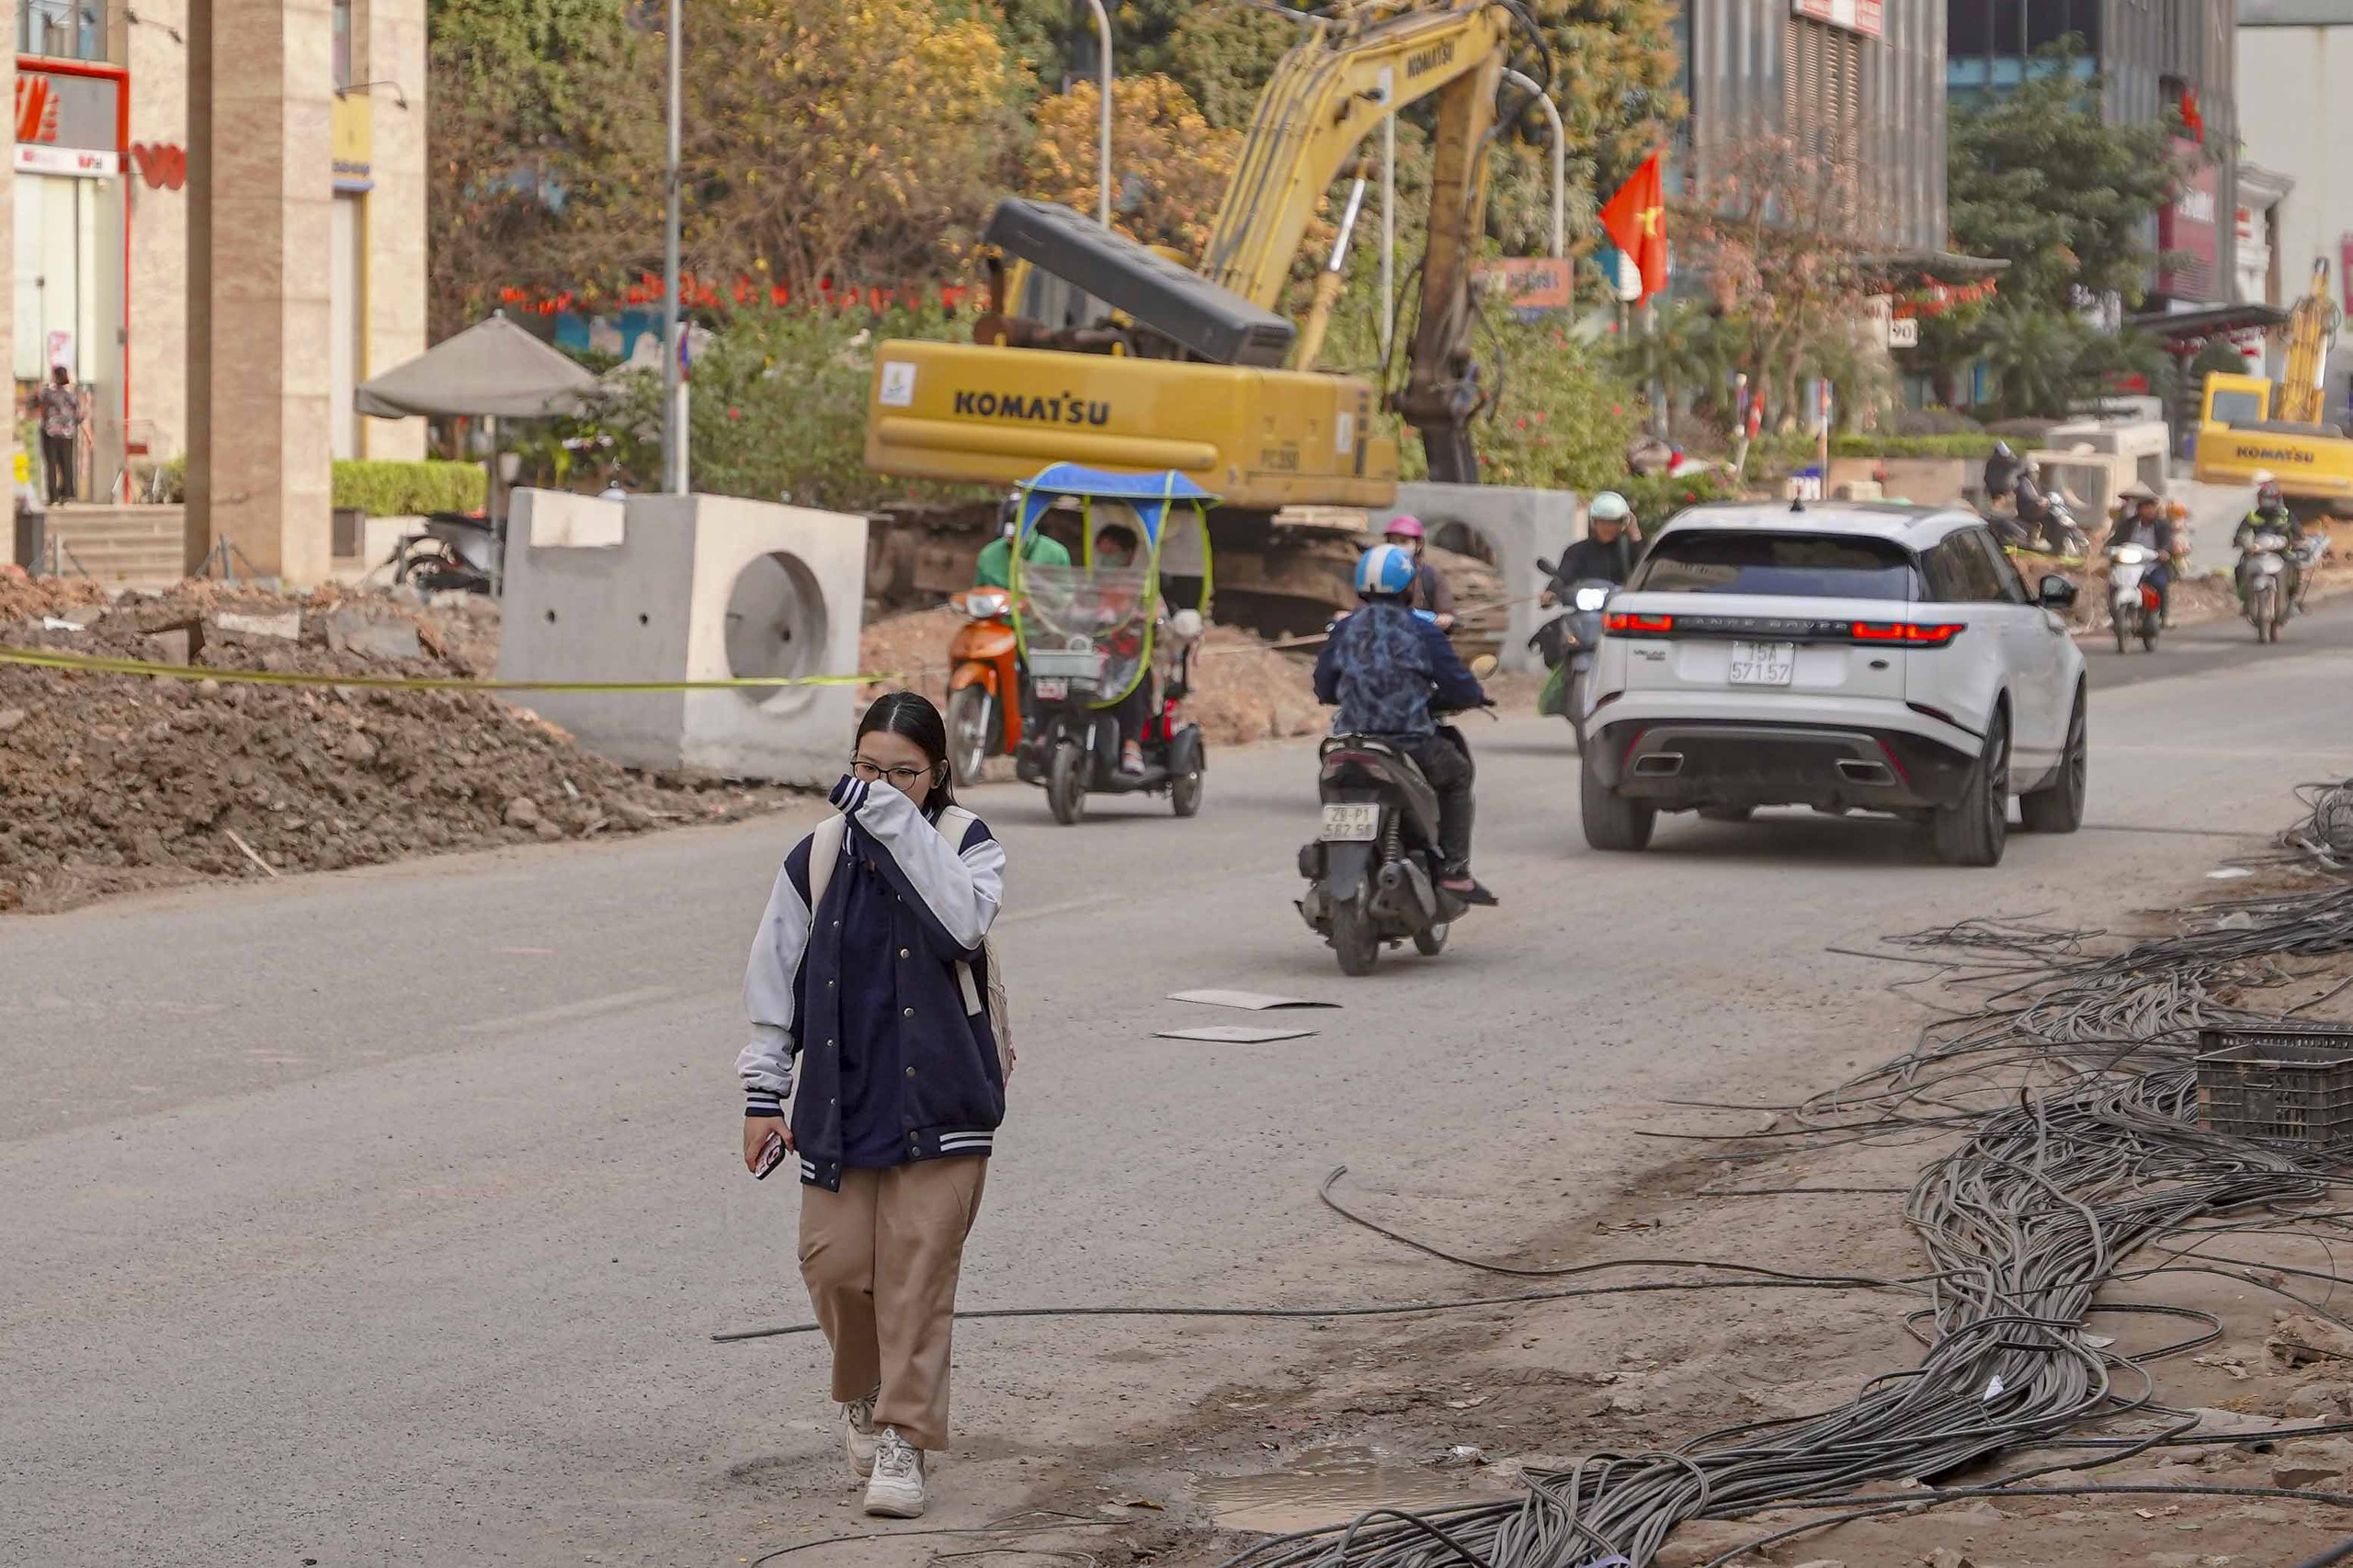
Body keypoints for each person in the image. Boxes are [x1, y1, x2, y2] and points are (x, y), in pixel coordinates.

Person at [739, 692, 1008, 1521]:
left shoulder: (968, 845)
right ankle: (862, 1394)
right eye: (867, 769)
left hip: (944, 1095)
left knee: (917, 1274)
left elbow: (958, 927)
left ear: (937, 775)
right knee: (836, 1266)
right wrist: (762, 1090)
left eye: (903, 773)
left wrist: (896, 822)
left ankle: (905, 1440)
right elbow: (773, 974)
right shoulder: (816, 856)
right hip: (841, 1096)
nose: (881, 785)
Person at [1313, 543, 1495, 905]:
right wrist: (1475, 696)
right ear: (1409, 587)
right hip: (1409, 742)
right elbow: (1459, 685)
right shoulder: (1422, 632)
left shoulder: (1344, 630)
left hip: (1350, 742)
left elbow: (1324, 686)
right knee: (1457, 774)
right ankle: (1455, 871)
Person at [1091, 521, 1154, 774]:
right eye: (1101, 553)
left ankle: (1132, 746)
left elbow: (1157, 615)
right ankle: (1042, 735)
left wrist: (1144, 618)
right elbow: (1068, 611)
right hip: (1094, 655)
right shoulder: (1088, 586)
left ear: (1127, 555)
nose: (1104, 559)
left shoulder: (1141, 586)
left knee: (1135, 681)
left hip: (1129, 656)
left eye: (1111, 553)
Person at [1540, 492, 1641, 605]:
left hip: (1620, 613)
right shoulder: (1576, 550)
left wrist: (1635, 535)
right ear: (1594, 522)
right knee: (1555, 623)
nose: (1607, 527)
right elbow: (1564, 576)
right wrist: (1551, 591)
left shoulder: (1631, 549)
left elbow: (1646, 569)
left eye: (1613, 522)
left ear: (1623, 523)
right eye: (1602, 521)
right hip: (1582, 611)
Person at [2109, 483, 2185, 627]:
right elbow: (2117, 538)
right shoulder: (2128, 524)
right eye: (2146, 507)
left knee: (2160, 584)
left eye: (2152, 507)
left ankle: (2164, 616)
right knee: (2113, 585)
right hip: (2129, 564)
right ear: (2139, 509)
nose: (2149, 510)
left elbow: (2167, 541)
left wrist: (2163, 552)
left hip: (2153, 564)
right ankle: (2116, 617)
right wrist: (2107, 548)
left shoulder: (2162, 525)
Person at [2234, 476, 2307, 608]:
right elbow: (2241, 531)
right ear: (2259, 499)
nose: (2267, 503)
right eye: (2265, 499)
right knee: (2240, 567)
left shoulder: (2285, 515)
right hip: (2257, 551)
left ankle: (2292, 599)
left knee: (2296, 566)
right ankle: (2244, 599)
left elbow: (2298, 531)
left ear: (2277, 499)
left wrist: (2300, 542)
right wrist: (2240, 541)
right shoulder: (2253, 515)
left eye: (2270, 499)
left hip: (2282, 551)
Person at [973, 494, 1070, 590]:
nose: (1014, 540)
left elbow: (1065, 596)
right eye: (1010, 536)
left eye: (1018, 535)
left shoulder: (1056, 553)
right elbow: (979, 594)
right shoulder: (988, 555)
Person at [1381, 516, 1456, 629]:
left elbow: (1445, 612)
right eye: (1393, 542)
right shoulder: (1377, 571)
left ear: (1418, 545)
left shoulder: (1430, 575)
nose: (1397, 547)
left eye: (1404, 542)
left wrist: (1444, 619)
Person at [36, 367, 77, 506]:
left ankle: (53, 497)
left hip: (50, 432)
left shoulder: (48, 393)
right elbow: (78, 414)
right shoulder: (71, 394)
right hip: (67, 433)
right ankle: (67, 495)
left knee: (51, 465)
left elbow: (37, 404)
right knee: (66, 465)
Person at [1983, 440, 2025, 504]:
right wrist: (2011, 455)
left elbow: (1986, 477)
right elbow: (2019, 464)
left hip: (1993, 490)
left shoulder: (1990, 462)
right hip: (2005, 488)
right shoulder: (2008, 461)